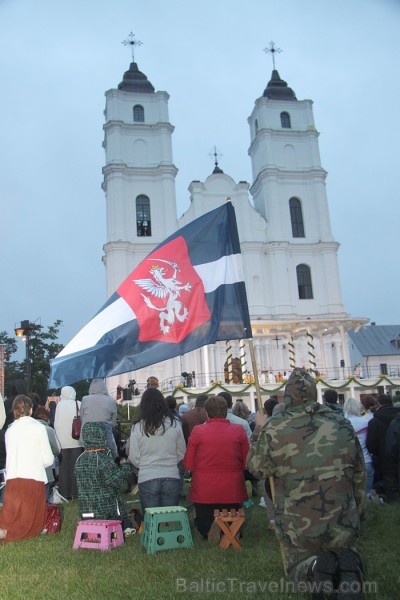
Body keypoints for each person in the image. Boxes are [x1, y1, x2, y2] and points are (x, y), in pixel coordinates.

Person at [247, 368, 366, 597]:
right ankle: (347, 565)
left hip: (299, 526)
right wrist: (357, 515)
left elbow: (255, 467)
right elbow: (359, 475)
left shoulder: (275, 426)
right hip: (343, 521)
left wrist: (259, 429)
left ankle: (313, 567)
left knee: (297, 571)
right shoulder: (341, 423)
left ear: (288, 395)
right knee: (343, 547)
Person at [184, 395, 249, 541]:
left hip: (204, 490)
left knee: (203, 520)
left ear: (207, 413)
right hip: (232, 489)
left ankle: (210, 528)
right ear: (226, 411)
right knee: (232, 516)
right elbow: (246, 462)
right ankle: (229, 529)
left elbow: (188, 463)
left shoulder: (197, 431)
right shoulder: (238, 430)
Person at [0, 394, 54, 542]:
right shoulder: (38, 428)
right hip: (32, 477)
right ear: (31, 410)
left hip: (12, 477)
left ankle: (5, 531)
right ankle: (8, 534)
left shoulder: (10, 430)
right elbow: (48, 459)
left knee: (11, 514)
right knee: (29, 522)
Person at [128, 388, 186, 512]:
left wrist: (144, 465)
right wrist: (170, 462)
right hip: (171, 475)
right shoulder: (175, 423)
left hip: (147, 476)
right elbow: (182, 452)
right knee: (169, 519)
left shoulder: (138, 427)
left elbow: (133, 456)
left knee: (151, 520)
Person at [75, 422, 134, 534]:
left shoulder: (80, 459)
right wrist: (126, 467)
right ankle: (126, 527)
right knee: (117, 501)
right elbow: (117, 482)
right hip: (105, 513)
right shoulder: (102, 459)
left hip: (86, 512)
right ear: (101, 436)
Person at [366, 394, 400, 501]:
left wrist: (379, 454)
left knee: (391, 486)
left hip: (384, 458)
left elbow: (371, 445)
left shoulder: (374, 421)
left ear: (378, 404)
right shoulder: (397, 417)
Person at [54, 385, 83, 499]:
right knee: (75, 468)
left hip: (62, 443)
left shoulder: (59, 406)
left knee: (64, 468)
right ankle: (75, 493)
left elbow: (56, 423)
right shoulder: (78, 404)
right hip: (76, 441)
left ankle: (64, 493)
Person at [80, 379, 118, 459]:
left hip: (87, 437)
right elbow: (113, 423)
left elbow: (82, 417)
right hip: (105, 439)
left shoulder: (85, 399)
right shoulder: (111, 400)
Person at [343, 397, 374, 497]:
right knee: (367, 491)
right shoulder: (366, 422)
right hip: (366, 459)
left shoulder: (341, 424)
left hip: (348, 462)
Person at [34, 406, 61, 500]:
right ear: (46, 417)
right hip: (46, 470)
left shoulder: (28, 429)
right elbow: (56, 450)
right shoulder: (49, 430)